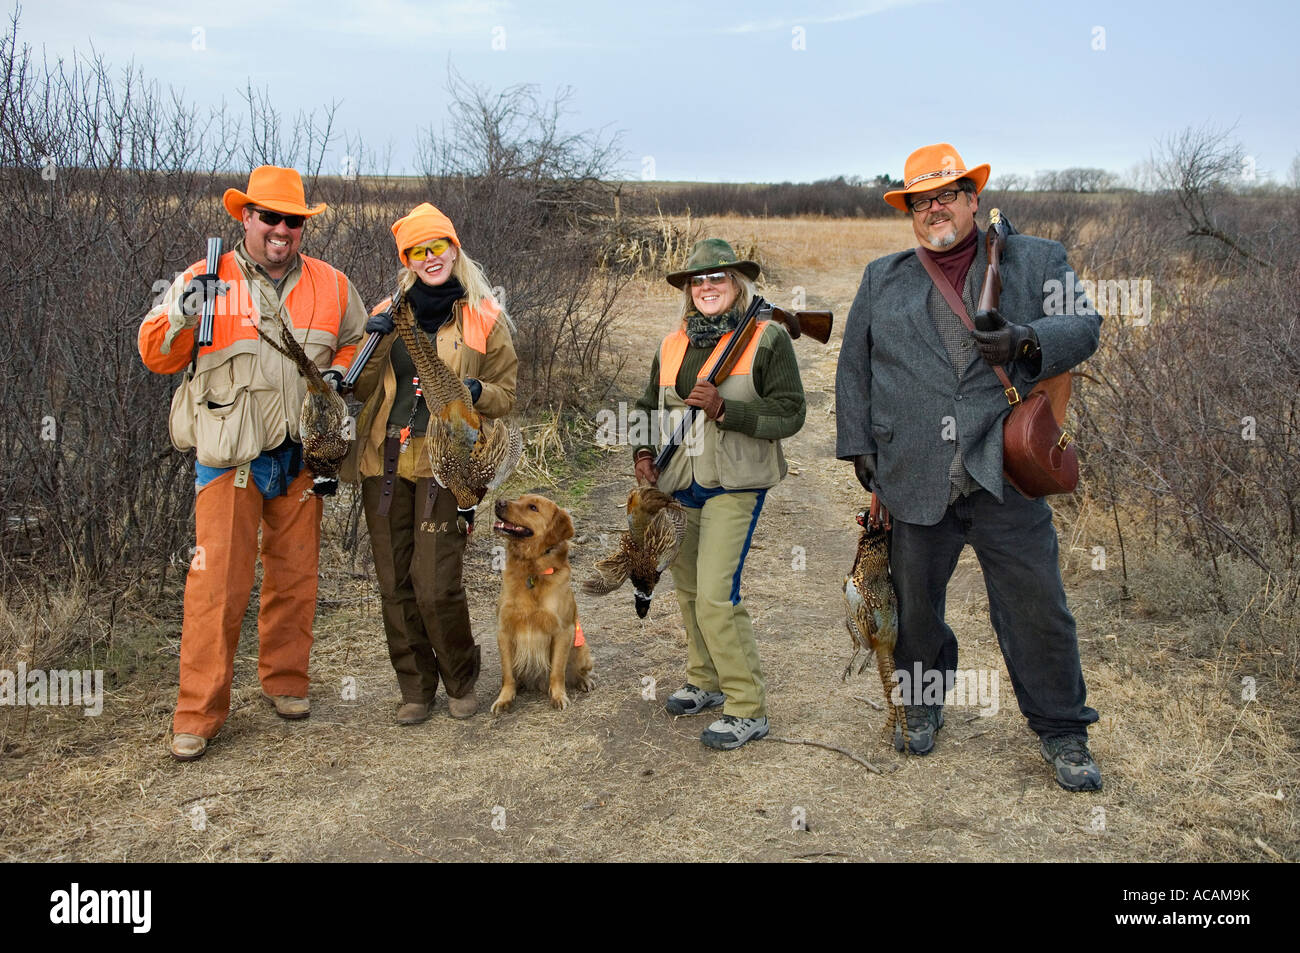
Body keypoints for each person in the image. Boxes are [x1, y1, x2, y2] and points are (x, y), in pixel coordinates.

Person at [835, 143, 1104, 791]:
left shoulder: (1035, 257)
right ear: (910, 211)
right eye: (921, 201)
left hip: (1003, 469)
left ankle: (1063, 728)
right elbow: (854, 368)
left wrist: (1025, 340)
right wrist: (862, 449)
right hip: (914, 472)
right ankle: (923, 701)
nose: (935, 210)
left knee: (1037, 606)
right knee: (915, 609)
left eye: (947, 196)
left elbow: (1087, 325)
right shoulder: (883, 277)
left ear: (972, 199)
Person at [139, 165, 368, 761]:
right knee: (216, 588)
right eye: (270, 217)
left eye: (293, 221)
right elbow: (154, 354)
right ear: (245, 218)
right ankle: (198, 715)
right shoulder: (203, 277)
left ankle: (287, 684)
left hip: (299, 460)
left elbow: (358, 340)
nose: (281, 230)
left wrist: (342, 372)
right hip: (229, 459)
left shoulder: (333, 284)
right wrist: (185, 311)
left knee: (295, 581)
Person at [340, 202, 517, 724]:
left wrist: (476, 390)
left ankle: (461, 676)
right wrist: (370, 346)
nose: (429, 257)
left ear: (453, 248)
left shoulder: (483, 314)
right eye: (416, 251)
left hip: (450, 460)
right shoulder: (389, 312)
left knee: (434, 579)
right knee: (394, 580)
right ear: (407, 259)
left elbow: (506, 394)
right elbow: (361, 389)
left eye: (436, 246)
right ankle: (416, 688)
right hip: (384, 457)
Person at [633, 239, 806, 750]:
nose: (707, 287)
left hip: (736, 483)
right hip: (679, 483)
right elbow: (646, 407)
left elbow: (792, 413)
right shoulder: (672, 343)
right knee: (686, 589)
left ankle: (747, 706)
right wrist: (643, 453)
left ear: (737, 284)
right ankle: (704, 680)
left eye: (719, 278)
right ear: (689, 290)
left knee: (715, 594)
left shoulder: (768, 339)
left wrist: (728, 413)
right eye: (698, 280)